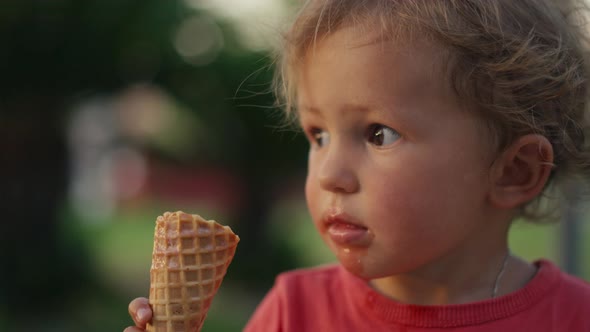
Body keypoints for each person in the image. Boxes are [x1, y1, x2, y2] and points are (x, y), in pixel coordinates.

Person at [125, 0, 590, 331]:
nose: (329, 174)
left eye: (378, 134)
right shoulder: (294, 312)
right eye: (318, 135)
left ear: (514, 171)